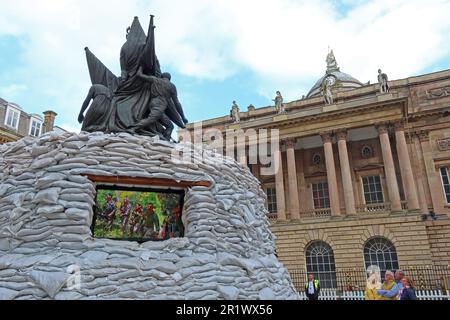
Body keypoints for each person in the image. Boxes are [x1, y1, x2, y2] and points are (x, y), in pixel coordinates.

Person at [133, 66, 187, 140]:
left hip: (152, 103)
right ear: (169, 79)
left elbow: (139, 75)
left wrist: (141, 66)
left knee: (170, 126)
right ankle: (133, 128)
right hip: (160, 105)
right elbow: (176, 103)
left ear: (162, 76)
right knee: (151, 119)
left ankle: (165, 140)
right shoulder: (171, 86)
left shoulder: (155, 79)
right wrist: (183, 117)